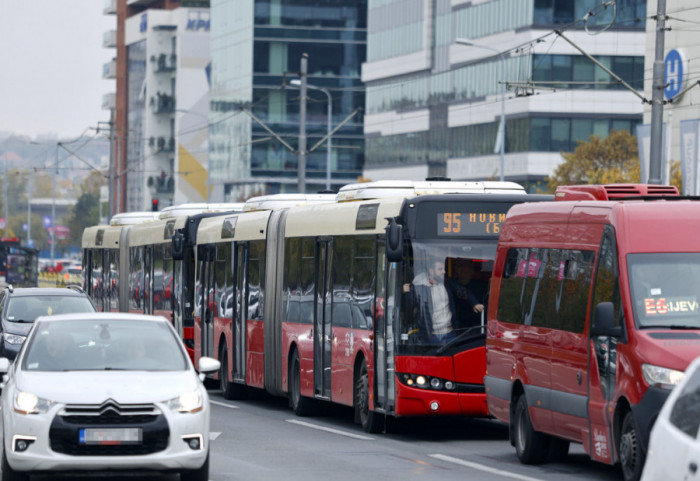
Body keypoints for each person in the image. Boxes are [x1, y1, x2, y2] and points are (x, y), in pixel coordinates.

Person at [409, 258, 458, 343]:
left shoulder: (447, 283)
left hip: (450, 333)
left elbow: (462, 290)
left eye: (444, 269)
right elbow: (410, 305)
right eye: (440, 269)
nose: (444, 271)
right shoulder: (421, 287)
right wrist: (406, 291)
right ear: (431, 271)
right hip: (432, 336)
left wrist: (474, 303)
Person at [447, 259, 487, 328]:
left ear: (472, 272)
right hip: (458, 323)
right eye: (462, 271)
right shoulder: (452, 284)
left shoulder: (481, 286)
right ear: (456, 271)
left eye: (467, 271)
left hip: (478, 323)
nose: (464, 274)